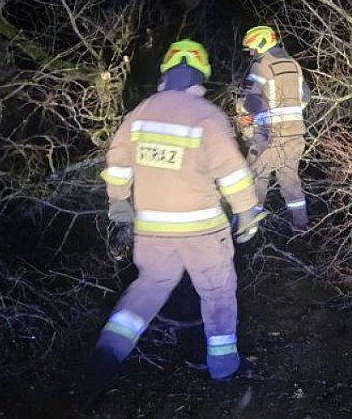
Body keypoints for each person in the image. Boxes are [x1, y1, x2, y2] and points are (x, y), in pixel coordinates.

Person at [85, 39, 264, 397]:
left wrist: (119, 203)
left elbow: (117, 162)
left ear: (166, 72)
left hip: (152, 229)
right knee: (217, 292)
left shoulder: (141, 112)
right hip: (202, 229)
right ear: (202, 75)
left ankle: (108, 351)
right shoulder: (207, 117)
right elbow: (231, 171)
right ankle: (224, 367)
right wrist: (246, 210)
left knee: (148, 287)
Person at [237, 25, 310, 230]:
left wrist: (244, 110)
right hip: (296, 134)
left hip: (270, 135)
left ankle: (248, 227)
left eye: (252, 49)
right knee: (290, 181)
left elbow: (251, 101)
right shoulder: (294, 65)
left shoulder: (261, 66)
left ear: (261, 45)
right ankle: (301, 227)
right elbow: (305, 96)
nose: (251, 54)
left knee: (255, 176)